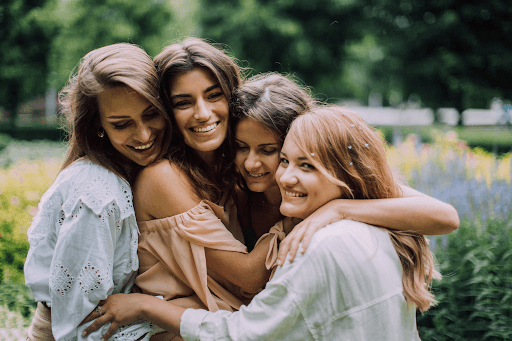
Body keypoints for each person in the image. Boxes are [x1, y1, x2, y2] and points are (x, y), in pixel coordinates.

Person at [82, 104, 441, 340]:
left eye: (306, 166)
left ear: (344, 173)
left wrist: (148, 307)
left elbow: (244, 334)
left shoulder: (313, 244)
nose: (283, 177)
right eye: (286, 161)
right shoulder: (380, 226)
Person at [24, 43, 171, 341]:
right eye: (122, 124)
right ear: (98, 126)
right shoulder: (97, 193)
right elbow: (80, 328)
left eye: (151, 114)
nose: (143, 134)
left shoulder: (131, 170)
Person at [230, 72, 459, 262]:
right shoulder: (236, 193)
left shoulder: (331, 186)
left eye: (268, 150)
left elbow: (445, 217)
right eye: (241, 147)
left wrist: (339, 208)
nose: (251, 163)